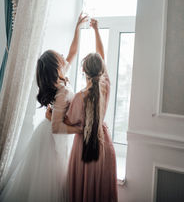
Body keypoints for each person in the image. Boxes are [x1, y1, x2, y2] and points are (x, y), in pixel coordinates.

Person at [0, 13, 87, 202]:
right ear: (56, 67)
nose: (65, 56)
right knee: (52, 183)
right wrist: (80, 129)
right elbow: (57, 126)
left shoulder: (60, 78)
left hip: (51, 132)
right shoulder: (62, 89)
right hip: (53, 138)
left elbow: (72, 52)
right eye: (59, 56)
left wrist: (77, 29)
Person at [47, 18, 118, 202]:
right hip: (103, 144)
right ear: (101, 70)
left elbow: (66, 123)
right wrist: (96, 30)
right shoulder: (106, 86)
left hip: (84, 147)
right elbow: (101, 55)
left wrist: (50, 116)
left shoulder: (80, 97)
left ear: (83, 72)